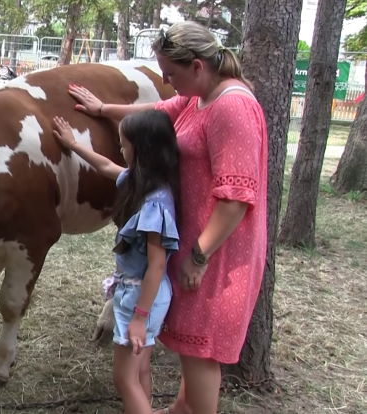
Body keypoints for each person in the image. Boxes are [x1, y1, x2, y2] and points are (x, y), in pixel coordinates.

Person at [65, 20, 269, 414]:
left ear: (197, 66)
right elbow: (155, 111)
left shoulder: (232, 107)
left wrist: (198, 256)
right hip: (192, 245)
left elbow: (235, 199)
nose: (164, 79)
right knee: (191, 350)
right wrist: (102, 109)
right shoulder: (199, 97)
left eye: (170, 73)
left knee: (201, 354)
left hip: (216, 256)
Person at [51, 110, 181, 414]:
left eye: (124, 145)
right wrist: (74, 144)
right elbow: (106, 166)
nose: (120, 150)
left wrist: (139, 317)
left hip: (142, 297)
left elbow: (157, 265)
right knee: (140, 371)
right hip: (141, 295)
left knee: (124, 380)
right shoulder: (144, 183)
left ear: (142, 148)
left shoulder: (154, 205)